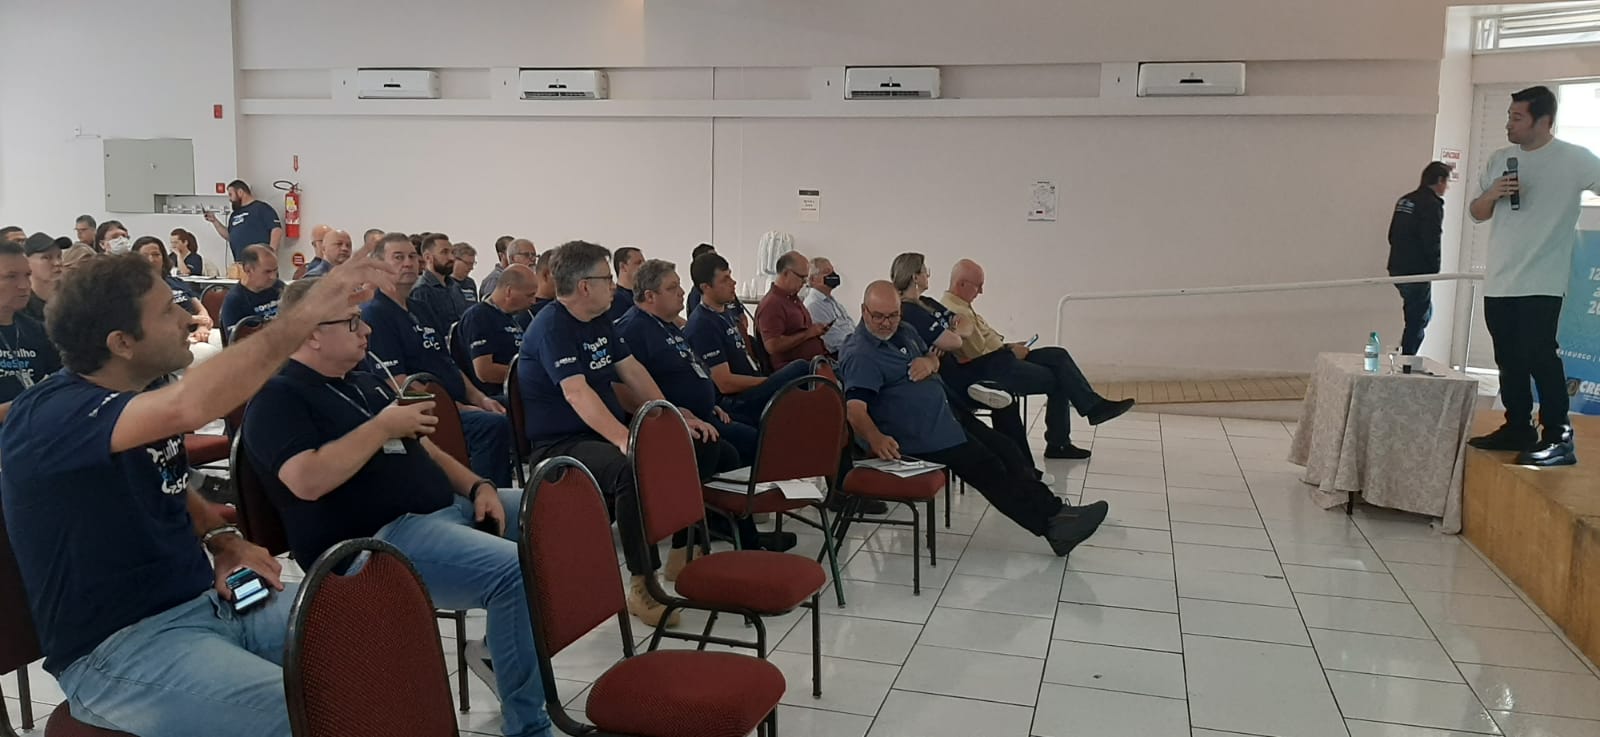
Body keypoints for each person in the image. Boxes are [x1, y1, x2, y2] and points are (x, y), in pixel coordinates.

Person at [0, 247, 393, 737]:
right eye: (168, 310)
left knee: (374, 636)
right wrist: (306, 313)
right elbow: (193, 403)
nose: (188, 318)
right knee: (314, 715)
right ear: (122, 342)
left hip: (209, 602)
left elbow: (169, 482)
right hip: (120, 647)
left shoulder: (137, 396)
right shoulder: (52, 415)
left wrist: (223, 538)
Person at [242, 279, 553, 737]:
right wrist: (383, 426)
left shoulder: (361, 381)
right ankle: (528, 725)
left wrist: (478, 485)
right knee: (512, 571)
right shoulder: (277, 398)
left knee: (552, 514)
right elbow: (306, 480)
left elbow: (425, 449)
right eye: (352, 322)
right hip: (375, 541)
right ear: (311, 333)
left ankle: (498, 647)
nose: (366, 330)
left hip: (439, 511)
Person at [516, 241, 736, 627]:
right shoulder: (552, 327)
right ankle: (643, 583)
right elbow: (576, 392)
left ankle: (683, 552)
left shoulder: (599, 319)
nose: (616, 285)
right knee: (629, 469)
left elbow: (632, 370)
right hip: (561, 443)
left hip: (600, 432)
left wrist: (672, 416)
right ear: (584, 286)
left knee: (693, 445)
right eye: (607, 278)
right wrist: (624, 439)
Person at [842, 281, 1109, 558]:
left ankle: (1057, 512)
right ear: (863, 311)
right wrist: (875, 438)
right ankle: (1053, 526)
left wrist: (930, 363)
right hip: (917, 434)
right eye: (878, 316)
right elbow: (855, 409)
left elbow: (933, 357)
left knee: (1006, 448)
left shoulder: (905, 331)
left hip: (945, 415)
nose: (886, 323)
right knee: (989, 468)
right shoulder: (861, 354)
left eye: (893, 315)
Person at [1466, 85, 1600, 467]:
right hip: (1500, 280)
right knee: (1508, 358)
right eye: (1509, 117)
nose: (1509, 124)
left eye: (1517, 117)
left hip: (1543, 279)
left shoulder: (1575, 159)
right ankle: (1518, 426)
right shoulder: (1500, 159)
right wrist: (1492, 193)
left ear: (1544, 121)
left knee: (1540, 356)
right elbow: (1476, 212)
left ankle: (1558, 436)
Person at [613, 259, 779, 556]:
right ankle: (707, 532)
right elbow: (623, 389)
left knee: (737, 446)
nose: (681, 293)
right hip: (666, 423)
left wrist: (710, 403)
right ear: (650, 295)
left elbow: (694, 370)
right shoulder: (633, 329)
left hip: (701, 414)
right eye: (672, 288)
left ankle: (735, 533)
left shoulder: (668, 325)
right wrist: (671, 413)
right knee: (733, 446)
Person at [942, 259, 1134, 460]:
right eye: (978, 285)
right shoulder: (956, 311)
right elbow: (977, 355)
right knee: (1062, 378)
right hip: (994, 368)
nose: (981, 291)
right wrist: (1010, 352)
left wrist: (1010, 347)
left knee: (1058, 356)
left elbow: (984, 345)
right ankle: (1063, 439)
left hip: (1002, 357)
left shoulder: (963, 306)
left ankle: (1091, 409)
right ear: (961, 284)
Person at [363, 233, 513, 488]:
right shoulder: (376, 315)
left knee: (508, 405)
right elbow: (398, 383)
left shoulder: (420, 308)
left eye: (412, 256)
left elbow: (448, 364)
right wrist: (457, 408)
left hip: (453, 400)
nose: (408, 263)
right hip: (424, 411)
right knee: (491, 424)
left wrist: (480, 398)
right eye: (398, 257)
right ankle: (485, 496)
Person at [1387, 162, 1451, 357]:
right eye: (1446, 182)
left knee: (1421, 313)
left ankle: (1405, 355)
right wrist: (1434, 269)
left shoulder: (1405, 200)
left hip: (1397, 267)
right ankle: (1407, 360)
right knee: (1418, 319)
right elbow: (1431, 238)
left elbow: (1392, 235)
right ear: (1439, 181)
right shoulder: (1431, 204)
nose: (1447, 187)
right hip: (1417, 271)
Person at [0, 241, 61, 424]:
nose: (24, 285)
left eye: (27, 275)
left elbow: (63, 379)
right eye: (11, 277)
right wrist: (21, 407)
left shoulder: (36, 330)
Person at [457, 264, 538, 400]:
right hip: (496, 396)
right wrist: (531, 374)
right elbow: (485, 372)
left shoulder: (509, 317)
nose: (533, 301)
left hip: (518, 389)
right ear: (509, 291)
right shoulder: (479, 317)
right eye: (529, 295)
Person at [136, 237, 221, 366]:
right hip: (172, 337)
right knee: (211, 354)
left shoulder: (175, 282)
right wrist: (195, 320)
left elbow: (200, 309)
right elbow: (157, 319)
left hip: (197, 329)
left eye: (156, 254)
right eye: (145, 255)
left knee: (228, 342)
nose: (151, 259)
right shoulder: (138, 288)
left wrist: (202, 327)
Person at [756, 251, 829, 368]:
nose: (804, 283)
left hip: (816, 363)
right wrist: (808, 334)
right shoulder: (772, 304)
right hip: (796, 370)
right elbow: (772, 345)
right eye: (802, 278)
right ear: (786, 273)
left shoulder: (792, 298)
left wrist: (815, 331)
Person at [203, 180, 283, 262]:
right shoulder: (234, 214)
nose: (230, 199)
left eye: (231, 194)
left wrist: (271, 254)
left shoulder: (261, 208)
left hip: (259, 262)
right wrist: (215, 221)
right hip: (240, 263)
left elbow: (277, 230)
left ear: (240, 192)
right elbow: (230, 236)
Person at [409, 232, 468, 337]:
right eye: (444, 252)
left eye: (452, 252)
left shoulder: (455, 287)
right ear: (428, 257)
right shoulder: (421, 291)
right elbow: (425, 331)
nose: (451, 258)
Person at [219, 245, 284, 331]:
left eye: (275, 270)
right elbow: (234, 337)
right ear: (248, 270)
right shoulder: (234, 300)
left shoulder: (278, 287)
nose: (273, 276)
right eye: (267, 272)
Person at [802, 256, 853, 354]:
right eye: (827, 272)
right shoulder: (814, 305)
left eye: (833, 271)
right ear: (812, 279)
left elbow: (849, 325)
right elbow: (832, 340)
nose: (833, 275)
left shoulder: (832, 302)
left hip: (851, 348)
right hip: (840, 354)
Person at [22, 232, 67, 323]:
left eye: (59, 256)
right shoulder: (19, 305)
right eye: (46, 257)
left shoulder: (73, 299)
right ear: (26, 261)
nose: (57, 263)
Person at [608, 246, 644, 323]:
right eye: (638, 263)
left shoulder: (644, 296)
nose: (644, 267)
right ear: (623, 266)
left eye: (644, 263)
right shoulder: (614, 299)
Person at [479, 235, 514, 300]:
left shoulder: (515, 276)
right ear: (502, 255)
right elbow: (490, 304)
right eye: (512, 251)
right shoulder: (495, 279)